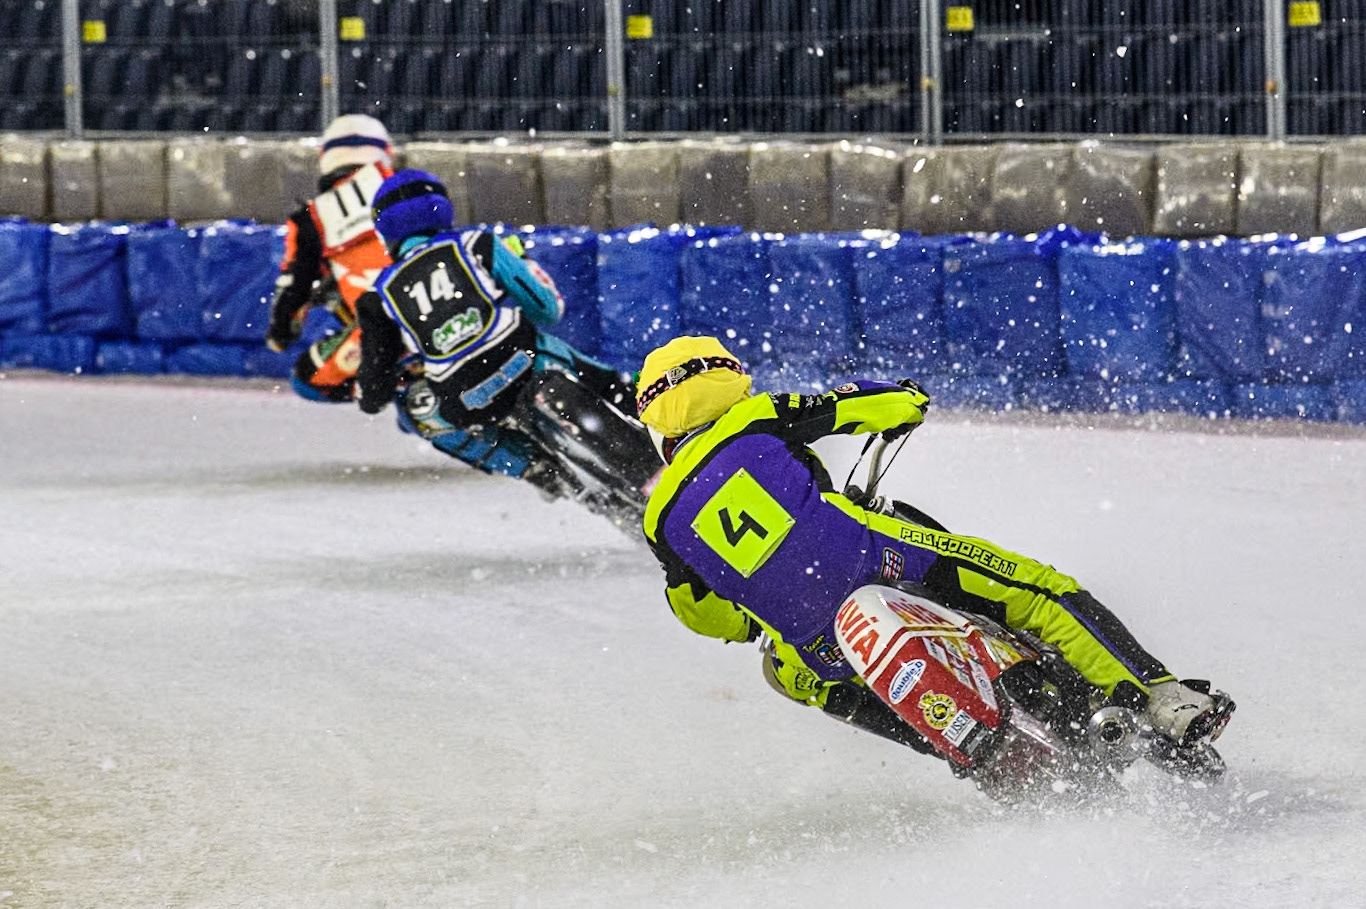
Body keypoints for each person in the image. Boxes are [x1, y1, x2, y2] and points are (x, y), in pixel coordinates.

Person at [636, 334, 1235, 764]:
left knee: (795, 679)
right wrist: (908, 400)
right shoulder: (754, 417)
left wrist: (757, 617)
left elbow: (699, 614)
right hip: (872, 556)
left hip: (814, 642)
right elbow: (871, 405)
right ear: (726, 380)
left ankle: (949, 745)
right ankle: (1161, 697)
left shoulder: (660, 522)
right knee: (1033, 591)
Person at [353, 168, 642, 491]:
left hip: (464, 400)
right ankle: (646, 411)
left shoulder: (377, 297)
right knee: (575, 361)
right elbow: (548, 309)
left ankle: (536, 468)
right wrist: (522, 259)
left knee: (416, 409)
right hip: (525, 361)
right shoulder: (478, 244)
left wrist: (381, 385)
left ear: (384, 230)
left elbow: (373, 392)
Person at [264, 114, 396, 403]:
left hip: (380, 332)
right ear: (385, 151)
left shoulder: (311, 218)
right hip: (440, 307)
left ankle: (395, 390)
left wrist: (280, 334)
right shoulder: (410, 187)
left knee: (306, 380)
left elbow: (294, 288)